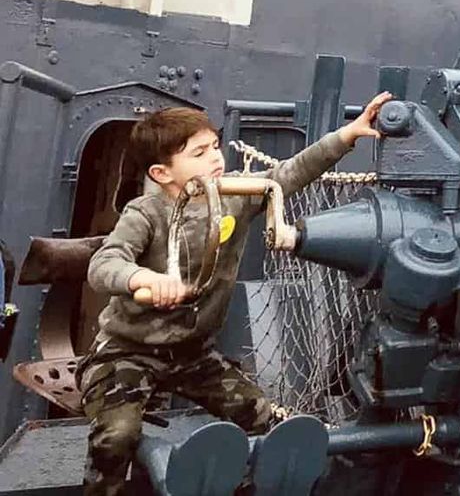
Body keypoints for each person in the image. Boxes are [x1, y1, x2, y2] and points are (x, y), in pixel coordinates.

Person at [78, 91, 392, 496]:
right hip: (127, 352)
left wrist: (347, 135)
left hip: (193, 354)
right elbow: (104, 264)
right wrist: (143, 280)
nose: (215, 158)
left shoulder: (234, 198)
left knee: (262, 419)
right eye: (199, 153)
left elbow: (290, 174)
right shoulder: (144, 213)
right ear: (161, 173)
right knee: (117, 435)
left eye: (214, 147)